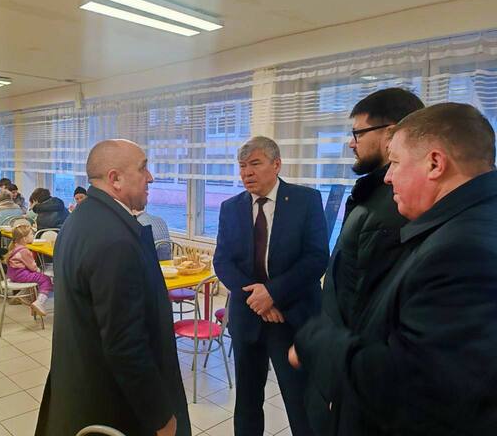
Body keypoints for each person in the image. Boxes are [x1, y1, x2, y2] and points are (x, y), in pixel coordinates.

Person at [293, 102, 497, 435]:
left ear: (435, 163)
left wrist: (317, 341)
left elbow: (413, 389)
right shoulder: (464, 223)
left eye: (396, 162)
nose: (388, 177)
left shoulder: (464, 250)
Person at [35, 139, 190, 436]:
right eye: (143, 168)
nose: (150, 177)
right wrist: (160, 416)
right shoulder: (115, 239)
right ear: (115, 178)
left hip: (82, 386)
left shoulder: (81, 219)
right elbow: (125, 343)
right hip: (115, 405)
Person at [304, 88, 424, 433]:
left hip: (352, 377)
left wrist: (335, 371)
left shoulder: (393, 207)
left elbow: (363, 307)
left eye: (357, 133)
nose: (351, 143)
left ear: (391, 133)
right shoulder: (372, 196)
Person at [213, 136, 329, 436]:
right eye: (242, 166)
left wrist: (273, 293)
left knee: (300, 402)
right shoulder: (231, 207)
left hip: (291, 317)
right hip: (248, 316)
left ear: (276, 164)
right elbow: (222, 261)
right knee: (247, 401)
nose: (246, 173)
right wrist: (259, 300)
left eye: (255, 164)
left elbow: (317, 257)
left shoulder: (306, 201)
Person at [5, 222, 53, 316]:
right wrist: (40, 271)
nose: (33, 236)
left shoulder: (15, 246)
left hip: (13, 274)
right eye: (31, 234)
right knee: (46, 279)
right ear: (24, 239)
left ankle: (22, 296)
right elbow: (33, 267)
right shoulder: (24, 251)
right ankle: (39, 302)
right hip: (20, 274)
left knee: (37, 277)